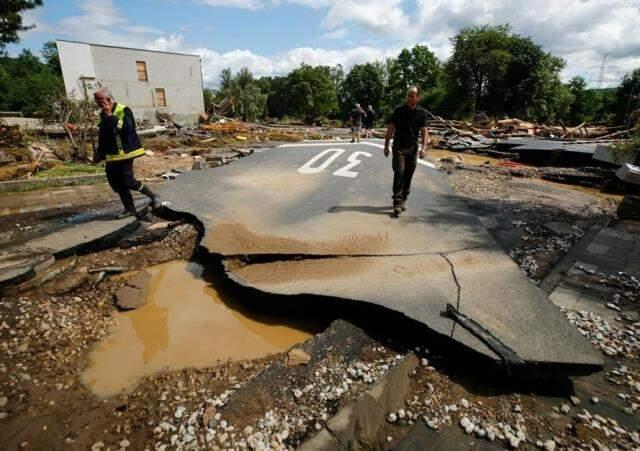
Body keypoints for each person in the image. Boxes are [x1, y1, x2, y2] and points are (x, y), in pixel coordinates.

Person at [93, 88, 161, 219]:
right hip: (112, 156)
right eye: (96, 100)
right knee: (116, 183)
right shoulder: (103, 114)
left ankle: (153, 195)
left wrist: (110, 116)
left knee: (128, 181)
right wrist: (99, 153)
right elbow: (104, 136)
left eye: (99, 100)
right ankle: (130, 209)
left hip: (126, 153)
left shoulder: (123, 110)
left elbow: (127, 129)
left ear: (107, 99)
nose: (97, 103)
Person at [383, 86, 429, 217]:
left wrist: (424, 148)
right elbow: (391, 128)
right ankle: (397, 202)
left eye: (413, 95)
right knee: (399, 171)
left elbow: (425, 132)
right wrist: (386, 145)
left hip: (412, 147)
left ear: (418, 98)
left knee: (408, 174)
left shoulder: (422, 113)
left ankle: (404, 198)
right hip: (398, 146)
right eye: (408, 95)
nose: (410, 98)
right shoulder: (398, 111)